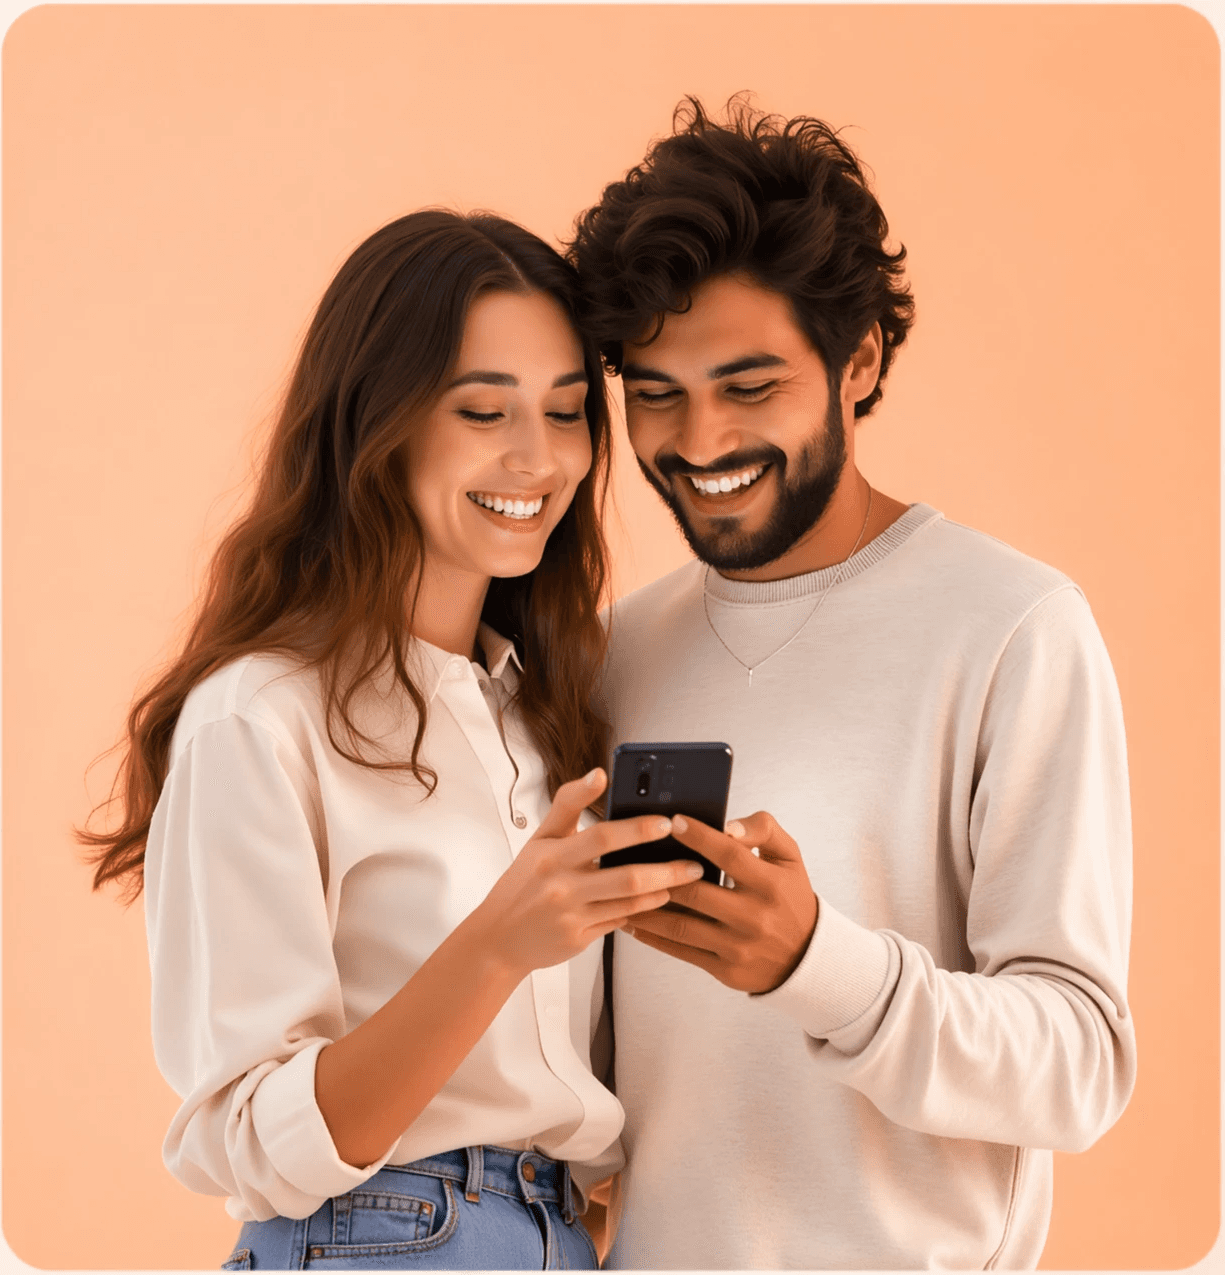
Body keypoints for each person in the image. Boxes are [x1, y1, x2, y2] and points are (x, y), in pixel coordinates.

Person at [567, 97, 1137, 1269]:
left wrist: (817, 964)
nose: (699, 439)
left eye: (750, 383)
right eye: (656, 391)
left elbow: (1081, 1064)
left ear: (858, 359)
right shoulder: (612, 651)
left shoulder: (1013, 627)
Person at [78, 209, 706, 1270]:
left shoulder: (539, 713)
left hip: (555, 1238)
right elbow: (251, 1136)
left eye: (565, 413)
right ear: (382, 421)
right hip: (385, 1236)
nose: (537, 457)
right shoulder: (262, 717)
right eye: (482, 411)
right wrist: (497, 944)